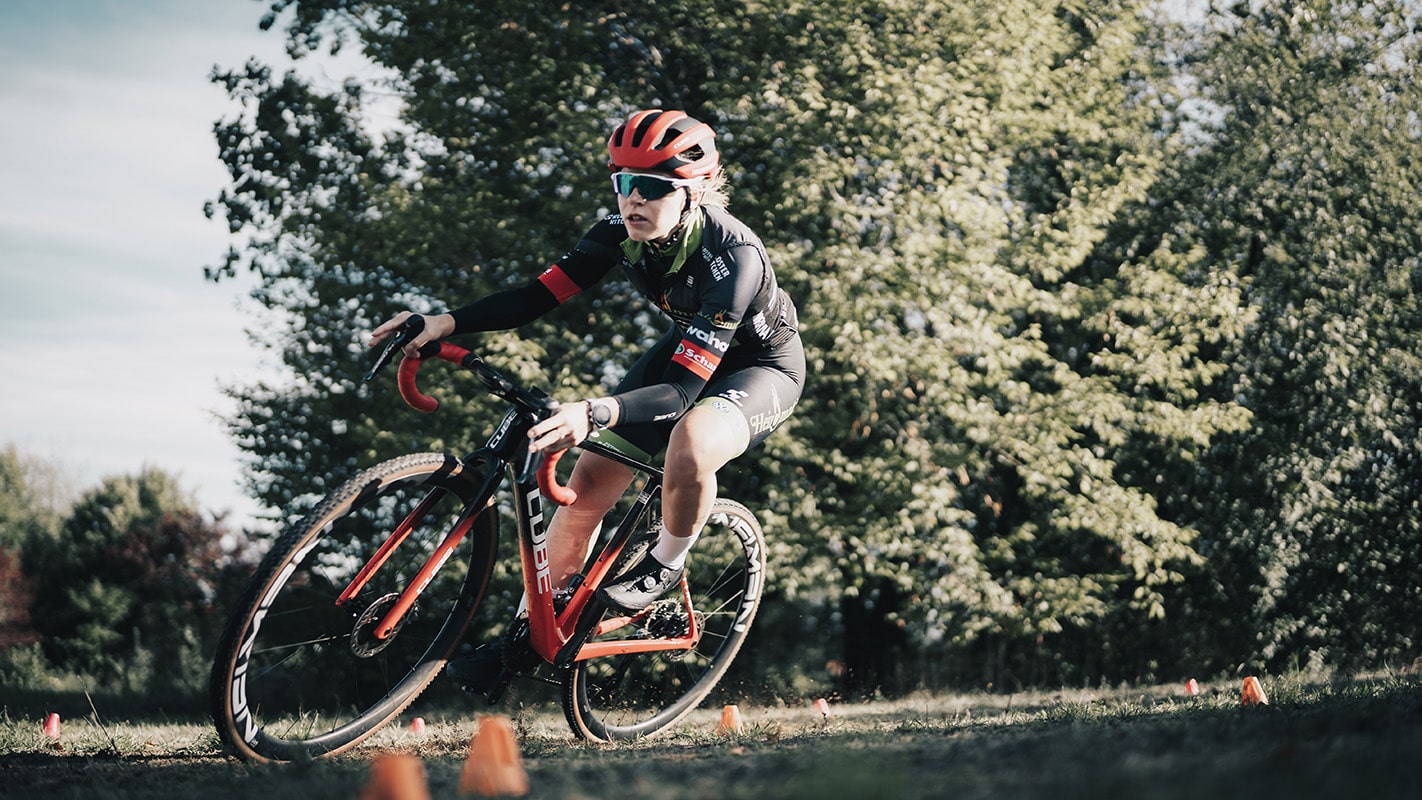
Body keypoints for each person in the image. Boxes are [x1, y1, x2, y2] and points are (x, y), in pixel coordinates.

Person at [368, 109, 804, 691]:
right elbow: (533, 299)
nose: (633, 199)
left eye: (652, 187)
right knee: (584, 492)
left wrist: (592, 411)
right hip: (686, 351)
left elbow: (681, 393)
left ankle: (665, 565)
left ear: (696, 189)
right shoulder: (615, 236)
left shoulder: (734, 258)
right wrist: (444, 321)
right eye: (623, 182)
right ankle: (532, 636)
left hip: (758, 369)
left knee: (691, 442)